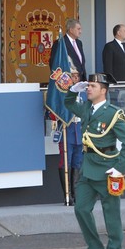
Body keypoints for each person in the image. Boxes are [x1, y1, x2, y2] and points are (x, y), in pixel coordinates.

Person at [65, 73, 125, 249]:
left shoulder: (113, 114)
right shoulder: (87, 108)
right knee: (81, 209)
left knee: (111, 215)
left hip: (107, 170)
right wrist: (72, 91)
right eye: (88, 85)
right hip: (88, 168)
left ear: (103, 90)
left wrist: (119, 169)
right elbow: (69, 104)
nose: (88, 88)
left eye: (92, 86)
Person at [57, 68, 84, 205]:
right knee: (65, 163)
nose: (75, 79)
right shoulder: (61, 93)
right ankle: (67, 196)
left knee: (77, 162)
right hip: (67, 130)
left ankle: (76, 194)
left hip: (79, 131)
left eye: (77, 76)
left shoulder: (84, 92)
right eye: (72, 76)